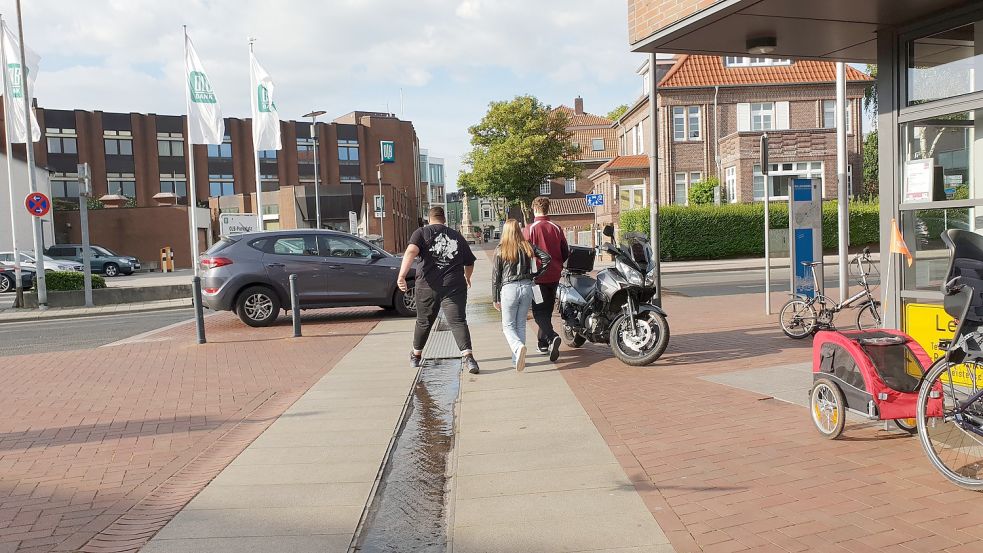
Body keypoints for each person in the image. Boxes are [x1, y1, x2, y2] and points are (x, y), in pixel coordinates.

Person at [397, 206, 480, 374]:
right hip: (454, 286)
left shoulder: (421, 233)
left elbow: (411, 251)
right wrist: (467, 277)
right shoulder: (457, 236)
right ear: (444, 219)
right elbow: (469, 262)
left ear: (429, 219)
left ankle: (416, 356)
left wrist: (402, 276)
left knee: (424, 321)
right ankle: (469, 358)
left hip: (427, 286)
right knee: (457, 321)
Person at [492, 219, 551, 372]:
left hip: (509, 288)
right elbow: (546, 258)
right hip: (526, 287)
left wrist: (495, 298)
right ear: (519, 231)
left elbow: (496, 276)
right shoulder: (527, 246)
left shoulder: (500, 249)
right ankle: (516, 360)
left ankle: (518, 348)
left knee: (507, 326)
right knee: (520, 325)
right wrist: (536, 274)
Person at [523, 196, 569, 362]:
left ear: (534, 209)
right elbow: (565, 251)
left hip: (538, 278)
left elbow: (525, 252)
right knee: (547, 309)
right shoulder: (556, 227)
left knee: (538, 312)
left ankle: (551, 336)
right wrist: (558, 265)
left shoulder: (530, 228)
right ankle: (542, 343)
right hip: (555, 275)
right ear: (547, 209)